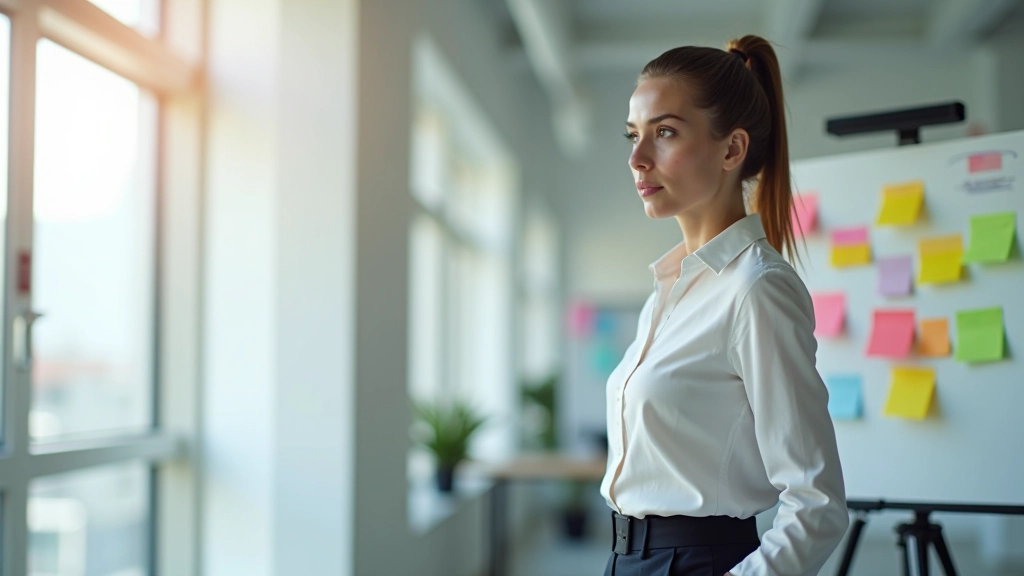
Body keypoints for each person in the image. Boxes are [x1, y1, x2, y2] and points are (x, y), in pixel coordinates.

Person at [601, 35, 850, 576]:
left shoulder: (756, 289)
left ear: (732, 149)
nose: (637, 158)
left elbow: (817, 503)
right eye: (633, 134)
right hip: (627, 560)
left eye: (664, 132)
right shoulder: (668, 289)